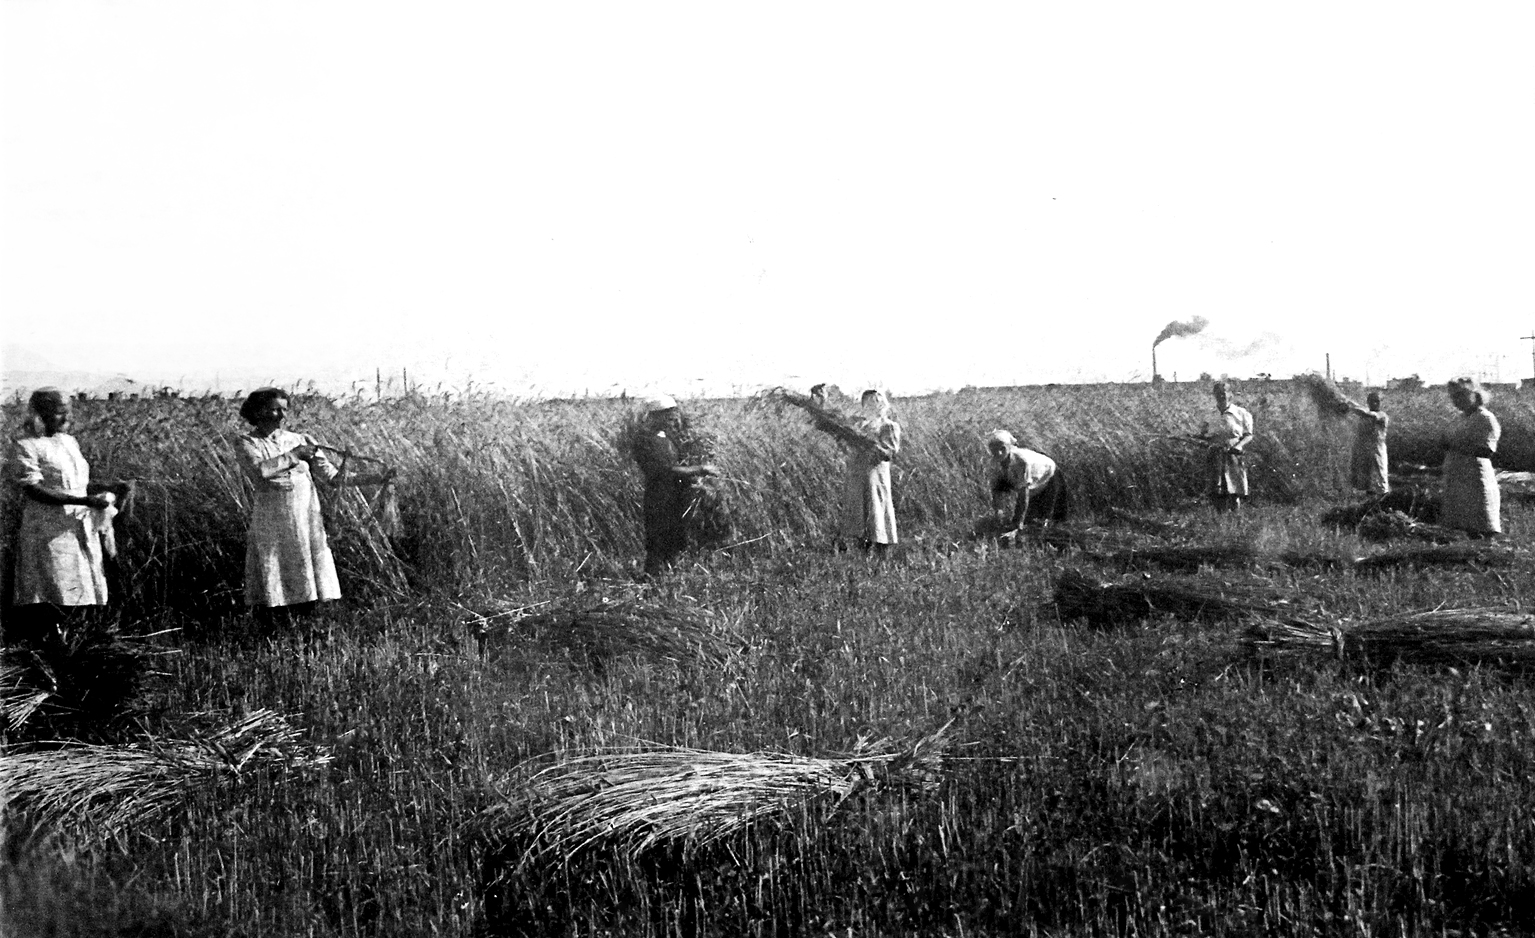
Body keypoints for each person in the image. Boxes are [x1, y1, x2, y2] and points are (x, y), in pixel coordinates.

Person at [4, 388, 121, 646]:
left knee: (79, 585)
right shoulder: (26, 447)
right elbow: (33, 490)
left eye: (67, 410)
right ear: (41, 414)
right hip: (47, 528)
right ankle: (47, 647)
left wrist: (109, 488)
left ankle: (72, 645)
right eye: (58, 412)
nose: (65, 416)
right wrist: (83, 501)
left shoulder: (68, 442)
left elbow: (76, 483)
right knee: (52, 586)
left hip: (78, 524)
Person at [234, 388, 353, 623]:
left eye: (284, 409)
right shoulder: (247, 442)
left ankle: (307, 623)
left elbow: (331, 477)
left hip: (305, 515)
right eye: (274, 409)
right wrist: (295, 455)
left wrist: (377, 478)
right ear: (257, 412)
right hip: (273, 517)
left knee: (305, 561)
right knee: (276, 562)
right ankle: (274, 625)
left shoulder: (301, 439)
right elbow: (260, 471)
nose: (281, 415)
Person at [630, 395, 718, 575]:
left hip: (675, 497)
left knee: (675, 542)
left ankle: (669, 582)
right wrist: (700, 469)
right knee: (657, 544)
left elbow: (676, 467)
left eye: (673, 413)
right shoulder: (645, 439)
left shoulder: (667, 437)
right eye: (667, 414)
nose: (672, 418)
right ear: (654, 416)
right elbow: (665, 470)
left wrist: (693, 482)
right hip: (659, 498)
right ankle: (652, 583)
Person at [839, 389, 901, 552]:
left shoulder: (888, 426)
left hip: (875, 475)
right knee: (860, 510)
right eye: (869, 402)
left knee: (877, 508)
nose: (874, 405)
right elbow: (844, 443)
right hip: (857, 473)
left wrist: (871, 445)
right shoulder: (857, 424)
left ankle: (882, 551)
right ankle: (863, 551)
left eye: (877, 401)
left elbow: (889, 453)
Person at [1440, 377, 1501, 537]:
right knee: (1461, 526)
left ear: (1474, 394)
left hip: (1475, 477)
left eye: (1461, 395)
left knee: (1480, 524)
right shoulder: (1460, 419)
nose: (1456, 400)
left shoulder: (1485, 418)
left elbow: (1486, 450)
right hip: (1457, 476)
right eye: (1453, 397)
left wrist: (1456, 446)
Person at [986, 430, 1070, 537]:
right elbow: (996, 491)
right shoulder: (993, 464)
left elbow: (1023, 496)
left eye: (1002, 448)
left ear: (1009, 447)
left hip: (1049, 475)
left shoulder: (1021, 461)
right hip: (1033, 483)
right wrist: (998, 513)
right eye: (994, 449)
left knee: (1045, 518)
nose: (999, 453)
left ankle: (1051, 541)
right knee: (1031, 520)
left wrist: (1017, 524)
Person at [1201, 381, 1254, 513]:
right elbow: (1204, 434)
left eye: (1224, 393)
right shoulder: (1209, 414)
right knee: (1216, 491)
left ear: (1230, 394)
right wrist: (1197, 437)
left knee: (1234, 490)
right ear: (1214, 395)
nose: (1221, 396)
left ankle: (1235, 522)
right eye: (1218, 393)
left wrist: (1239, 446)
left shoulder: (1241, 413)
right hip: (1215, 454)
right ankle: (1221, 522)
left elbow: (1248, 435)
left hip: (1232, 455)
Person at [1348, 391, 1390, 495]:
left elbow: (1368, 414)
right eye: (1373, 401)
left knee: (1379, 474)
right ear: (1368, 402)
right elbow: (1356, 405)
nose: (1376, 403)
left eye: (1377, 401)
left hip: (1377, 449)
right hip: (1365, 449)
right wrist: (1342, 400)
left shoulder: (1382, 415)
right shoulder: (1365, 412)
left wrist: (1349, 408)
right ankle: (1368, 498)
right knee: (1366, 475)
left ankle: (1383, 498)